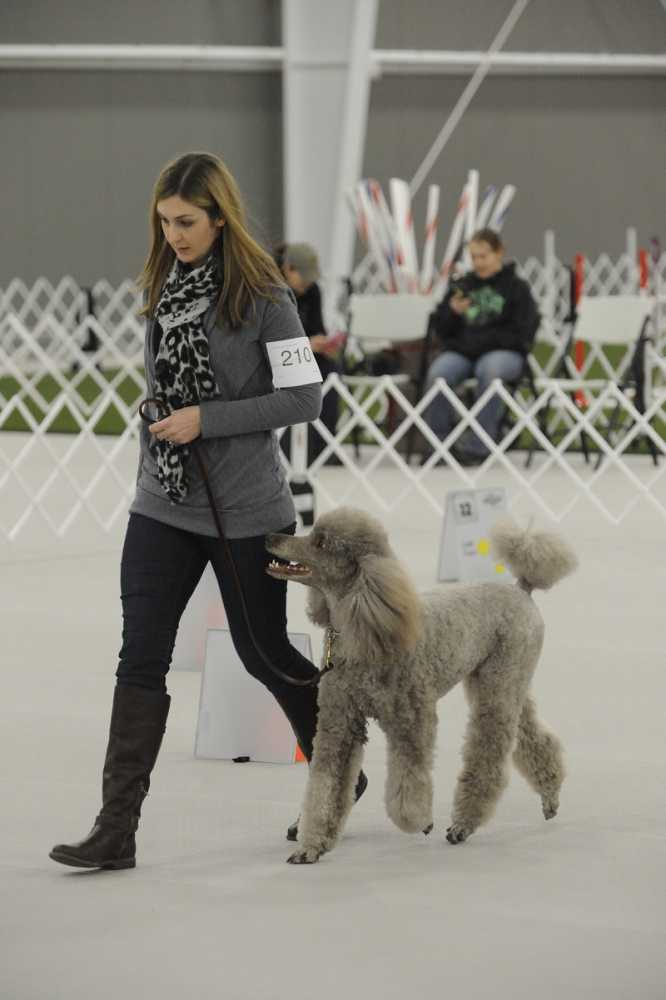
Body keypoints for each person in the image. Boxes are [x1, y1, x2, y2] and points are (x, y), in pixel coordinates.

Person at [49, 152, 365, 871]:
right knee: (141, 654)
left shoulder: (267, 295)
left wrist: (206, 419)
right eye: (164, 221)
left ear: (220, 217)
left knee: (264, 652)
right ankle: (115, 829)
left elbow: (305, 399)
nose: (174, 234)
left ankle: (339, 768)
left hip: (247, 508)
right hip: (162, 501)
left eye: (186, 221)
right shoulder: (165, 284)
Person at [423, 228, 540, 465]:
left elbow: (523, 331)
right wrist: (452, 312)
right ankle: (437, 445)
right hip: (464, 351)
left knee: (490, 370)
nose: (478, 262)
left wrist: (485, 341)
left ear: (499, 253)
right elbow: (441, 330)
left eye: (483, 256)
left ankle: (479, 446)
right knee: (438, 373)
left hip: (503, 351)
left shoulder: (516, 288)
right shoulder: (462, 286)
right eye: (473, 257)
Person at [277, 242, 342, 465]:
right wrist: (306, 344)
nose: (308, 283)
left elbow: (317, 327)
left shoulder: (313, 291)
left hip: (306, 353)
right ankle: (293, 447)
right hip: (278, 356)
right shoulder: (271, 290)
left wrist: (324, 343)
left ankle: (325, 445)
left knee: (332, 371)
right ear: (288, 269)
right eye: (304, 278)